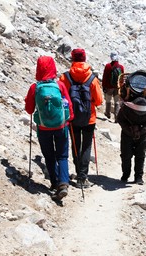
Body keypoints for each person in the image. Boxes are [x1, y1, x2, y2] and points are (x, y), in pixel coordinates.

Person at [25, 56, 74, 201]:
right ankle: (64, 183)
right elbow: (68, 104)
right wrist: (69, 118)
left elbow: (29, 109)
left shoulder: (35, 87)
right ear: (53, 68)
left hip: (43, 128)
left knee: (49, 156)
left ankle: (54, 183)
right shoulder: (60, 86)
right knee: (63, 155)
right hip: (61, 127)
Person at [59, 48, 103, 188]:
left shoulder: (65, 77)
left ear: (72, 59)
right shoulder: (92, 78)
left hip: (72, 117)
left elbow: (62, 97)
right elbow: (99, 100)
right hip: (89, 118)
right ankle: (83, 178)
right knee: (86, 146)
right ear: (84, 59)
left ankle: (78, 173)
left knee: (75, 145)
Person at [116, 96, 146, 185]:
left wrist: (142, 129)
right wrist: (129, 129)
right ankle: (125, 174)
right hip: (127, 134)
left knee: (140, 155)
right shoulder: (125, 109)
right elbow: (119, 119)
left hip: (142, 135)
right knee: (125, 155)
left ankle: (138, 177)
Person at [102, 51, 125, 122]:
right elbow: (122, 78)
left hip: (109, 87)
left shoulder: (108, 66)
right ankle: (116, 117)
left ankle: (108, 114)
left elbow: (105, 77)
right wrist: (121, 87)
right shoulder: (121, 67)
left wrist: (104, 86)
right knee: (116, 102)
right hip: (117, 88)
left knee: (108, 100)